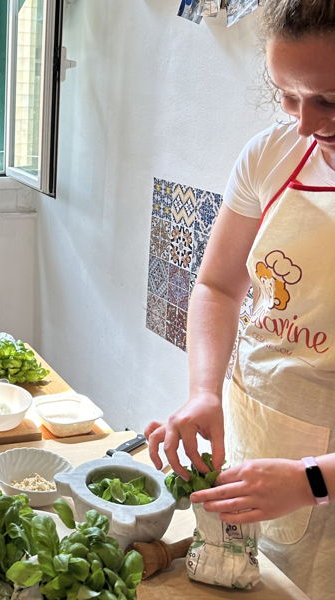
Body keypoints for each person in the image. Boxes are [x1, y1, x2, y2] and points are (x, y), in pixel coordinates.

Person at [145, 1, 335, 598]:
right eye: (287, 96)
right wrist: (204, 390)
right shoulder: (272, 154)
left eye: (329, 100)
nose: (305, 123)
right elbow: (219, 285)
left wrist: (315, 479)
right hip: (258, 420)